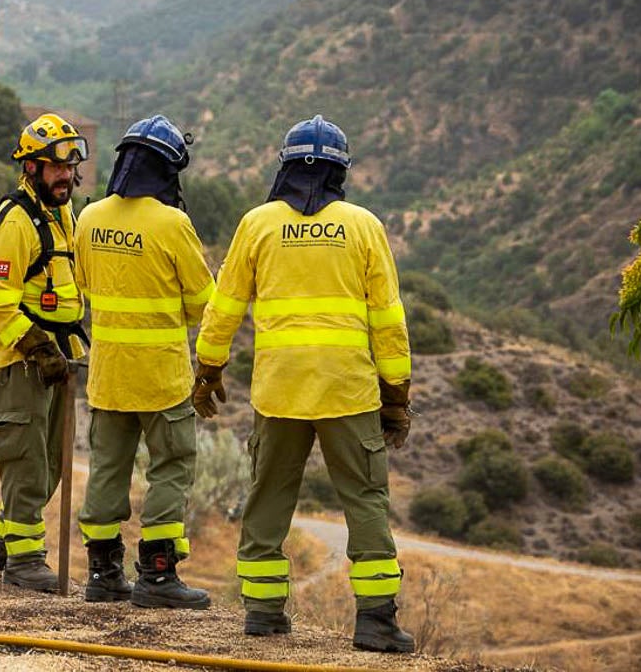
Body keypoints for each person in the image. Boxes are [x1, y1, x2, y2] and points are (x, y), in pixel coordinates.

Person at [193, 115, 415, 653]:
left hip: (280, 391)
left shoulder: (258, 224)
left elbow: (223, 308)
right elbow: (389, 319)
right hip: (349, 391)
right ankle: (377, 623)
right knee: (364, 499)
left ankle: (264, 615)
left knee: (268, 497)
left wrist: (208, 369)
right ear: (341, 171)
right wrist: (397, 396)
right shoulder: (364, 226)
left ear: (284, 167)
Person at [74, 115, 216, 608]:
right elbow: (204, 304)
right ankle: (158, 576)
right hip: (161, 377)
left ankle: (102, 573)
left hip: (108, 374)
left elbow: (85, 286)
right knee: (171, 466)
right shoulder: (173, 224)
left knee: (107, 467)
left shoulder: (88, 217)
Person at [0, 113, 88, 592]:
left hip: (59, 359)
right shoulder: (13, 221)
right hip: (23, 360)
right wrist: (36, 345)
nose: (64, 176)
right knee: (25, 459)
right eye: (54, 168)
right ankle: (24, 560)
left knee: (53, 464)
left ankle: (3, 540)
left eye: (68, 167)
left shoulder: (63, 215)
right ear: (32, 169)